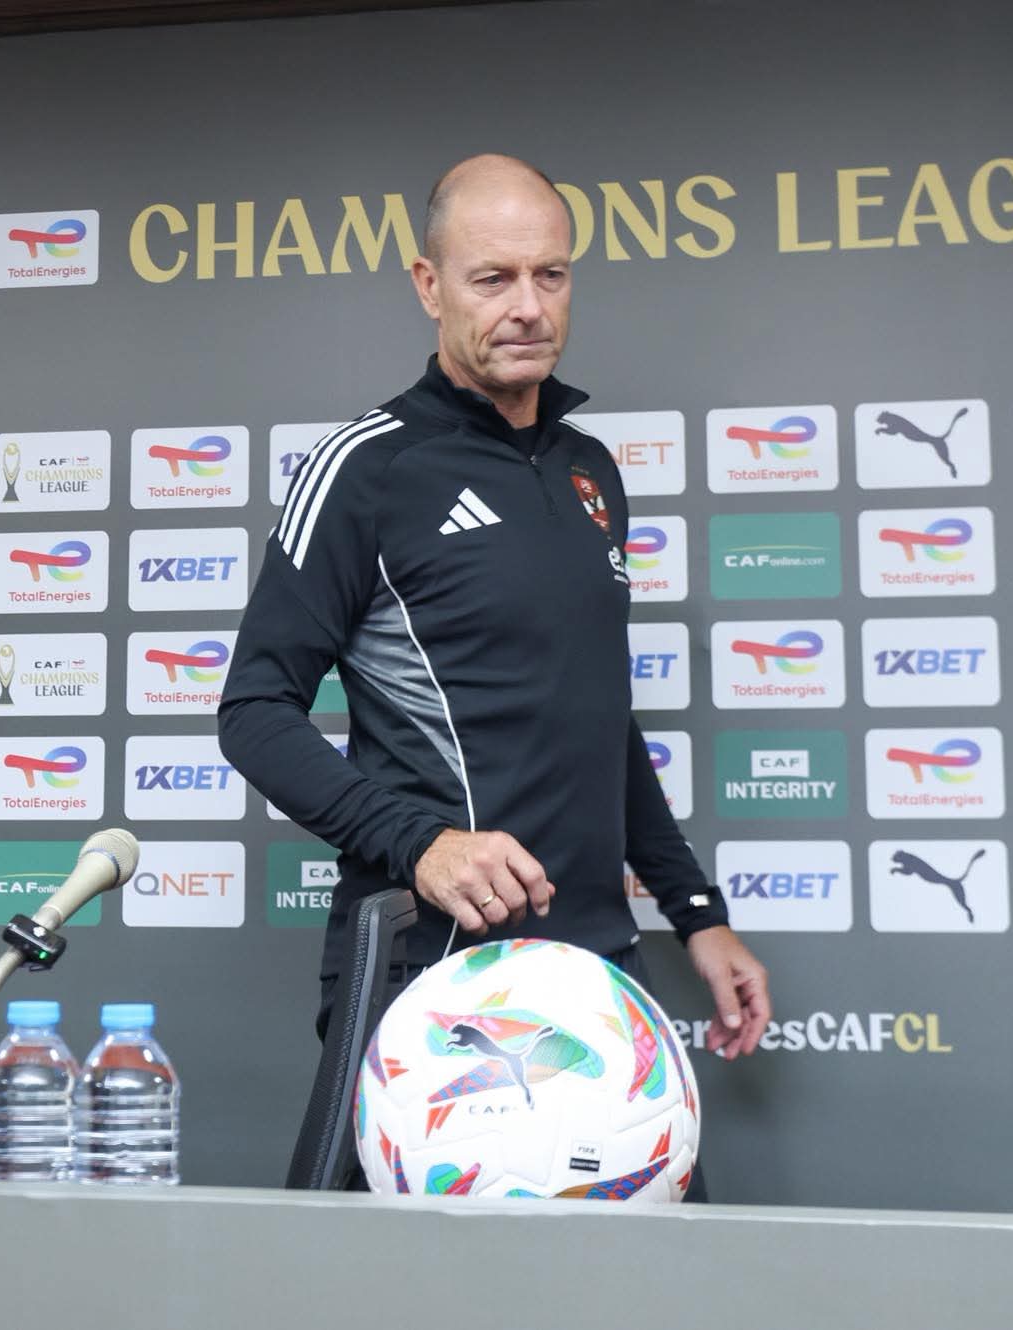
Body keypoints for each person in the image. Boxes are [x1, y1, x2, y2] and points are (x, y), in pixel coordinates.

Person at [217, 153, 773, 1116]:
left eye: (550, 274)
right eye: (493, 278)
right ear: (430, 288)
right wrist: (423, 843)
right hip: (431, 968)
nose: (527, 305)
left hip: (598, 972)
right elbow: (253, 712)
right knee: (396, 1272)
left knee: (629, 1267)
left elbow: (599, 720)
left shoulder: (590, 469)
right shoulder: (365, 469)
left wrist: (696, 915)